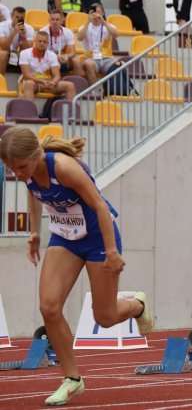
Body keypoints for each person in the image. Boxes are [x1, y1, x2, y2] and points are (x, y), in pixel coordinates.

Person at [0, 127, 153, 406]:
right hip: (65, 238)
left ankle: (137, 305)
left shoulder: (64, 168)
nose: (18, 174)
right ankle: (72, 379)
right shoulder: (28, 172)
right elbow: (34, 195)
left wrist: (111, 252)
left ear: (36, 155)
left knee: (104, 317)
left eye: (21, 167)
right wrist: (34, 233)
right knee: (48, 306)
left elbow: (99, 207)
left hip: (97, 238)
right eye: (11, 169)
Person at [18, 31, 76, 101]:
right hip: (33, 82)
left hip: (48, 83)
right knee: (29, 84)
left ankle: (70, 111)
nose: (42, 43)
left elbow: (57, 75)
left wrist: (53, 82)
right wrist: (42, 81)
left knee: (70, 85)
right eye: (40, 41)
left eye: (44, 42)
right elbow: (26, 75)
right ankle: (30, 110)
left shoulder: (52, 55)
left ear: (47, 43)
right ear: (35, 41)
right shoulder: (24, 53)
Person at [78, 4, 119, 85]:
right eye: (94, 13)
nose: (96, 15)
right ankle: (94, 92)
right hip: (91, 57)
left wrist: (103, 22)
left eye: (98, 12)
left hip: (106, 57)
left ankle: (110, 91)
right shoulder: (85, 26)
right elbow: (80, 37)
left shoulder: (108, 26)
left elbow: (116, 35)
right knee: (89, 64)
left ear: (103, 13)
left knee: (117, 65)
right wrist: (88, 21)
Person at [42, 11, 82, 77]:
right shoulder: (43, 32)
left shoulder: (67, 32)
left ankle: (78, 81)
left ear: (61, 21)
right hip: (46, 56)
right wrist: (55, 57)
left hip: (61, 56)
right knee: (56, 62)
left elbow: (72, 52)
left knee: (76, 60)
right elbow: (40, 51)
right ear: (49, 21)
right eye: (52, 19)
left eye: (57, 20)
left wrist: (67, 56)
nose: (55, 22)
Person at [0, 6, 35, 75]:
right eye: (17, 17)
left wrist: (23, 37)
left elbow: (28, 49)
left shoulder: (29, 28)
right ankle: (1, 81)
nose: (19, 20)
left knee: (27, 54)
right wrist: (14, 32)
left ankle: (24, 80)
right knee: (3, 54)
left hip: (18, 53)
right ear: (11, 16)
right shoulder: (2, 26)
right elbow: (4, 47)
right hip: (5, 51)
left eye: (22, 18)